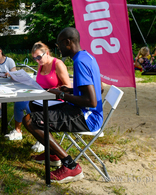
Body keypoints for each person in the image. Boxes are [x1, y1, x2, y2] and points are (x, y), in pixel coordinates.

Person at [22, 27, 103, 183]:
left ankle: (71, 166)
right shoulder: (87, 57)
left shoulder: (79, 62)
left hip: (87, 117)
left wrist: (62, 95)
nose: (57, 48)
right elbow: (99, 88)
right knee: (36, 106)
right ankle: (53, 155)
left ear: (68, 42)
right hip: (85, 112)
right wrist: (71, 90)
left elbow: (91, 101)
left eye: (59, 44)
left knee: (29, 120)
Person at [5, 41, 71, 148]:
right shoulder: (41, 64)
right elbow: (40, 83)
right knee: (20, 102)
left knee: (34, 108)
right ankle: (19, 132)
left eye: (39, 57)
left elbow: (68, 86)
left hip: (55, 99)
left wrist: (52, 90)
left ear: (47, 53)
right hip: (41, 96)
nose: (37, 60)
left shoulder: (58, 64)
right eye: (34, 58)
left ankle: (43, 140)